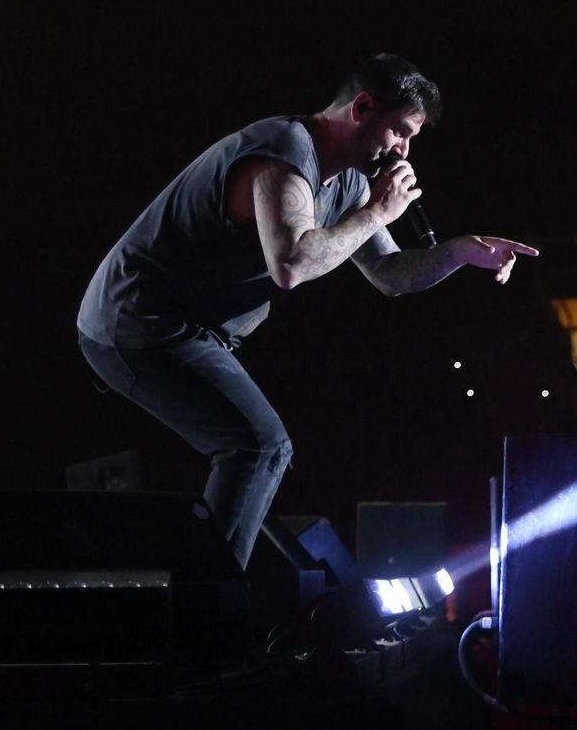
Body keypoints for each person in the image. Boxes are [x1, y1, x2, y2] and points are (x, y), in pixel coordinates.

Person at [77, 54, 537, 567]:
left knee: (251, 449)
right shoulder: (283, 151)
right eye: (401, 132)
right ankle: (208, 609)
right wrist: (380, 212)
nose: (403, 152)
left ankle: (202, 593)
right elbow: (292, 264)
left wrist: (457, 252)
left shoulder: (348, 184)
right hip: (136, 319)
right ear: (363, 108)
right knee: (258, 447)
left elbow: (390, 274)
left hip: (189, 329)